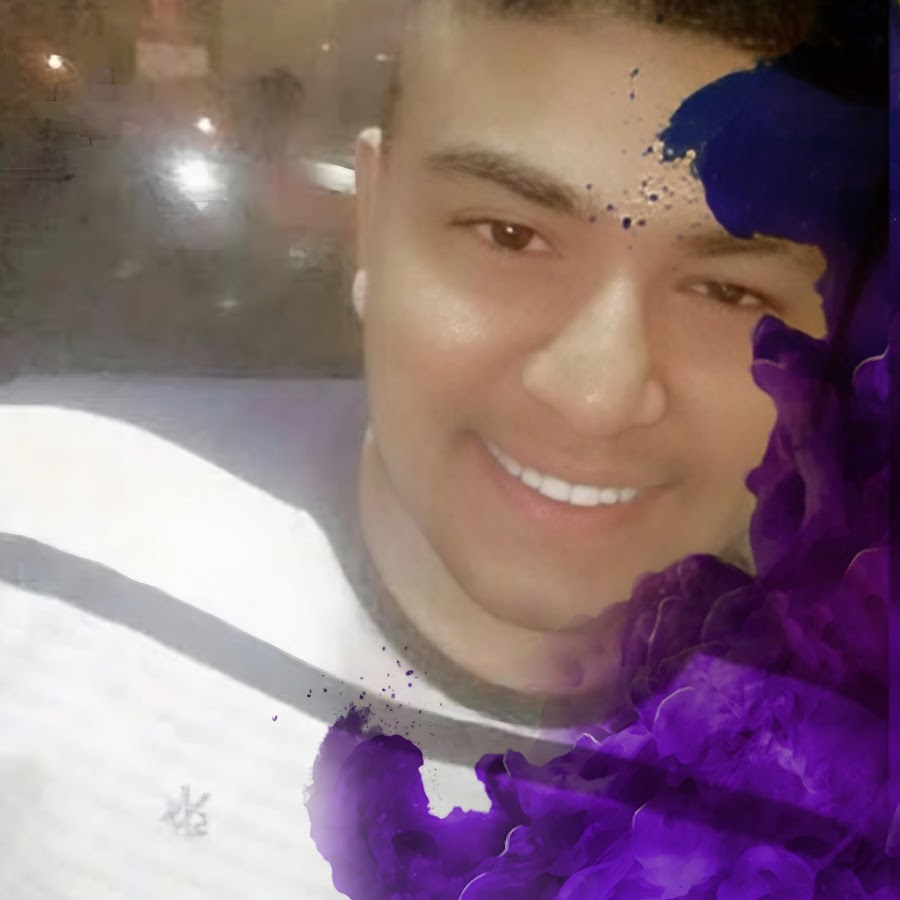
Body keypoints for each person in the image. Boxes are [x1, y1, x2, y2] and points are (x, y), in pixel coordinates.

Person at [0, 1, 884, 898]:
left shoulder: (857, 791)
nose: (596, 395)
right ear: (369, 222)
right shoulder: (33, 535)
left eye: (728, 292)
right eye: (508, 235)